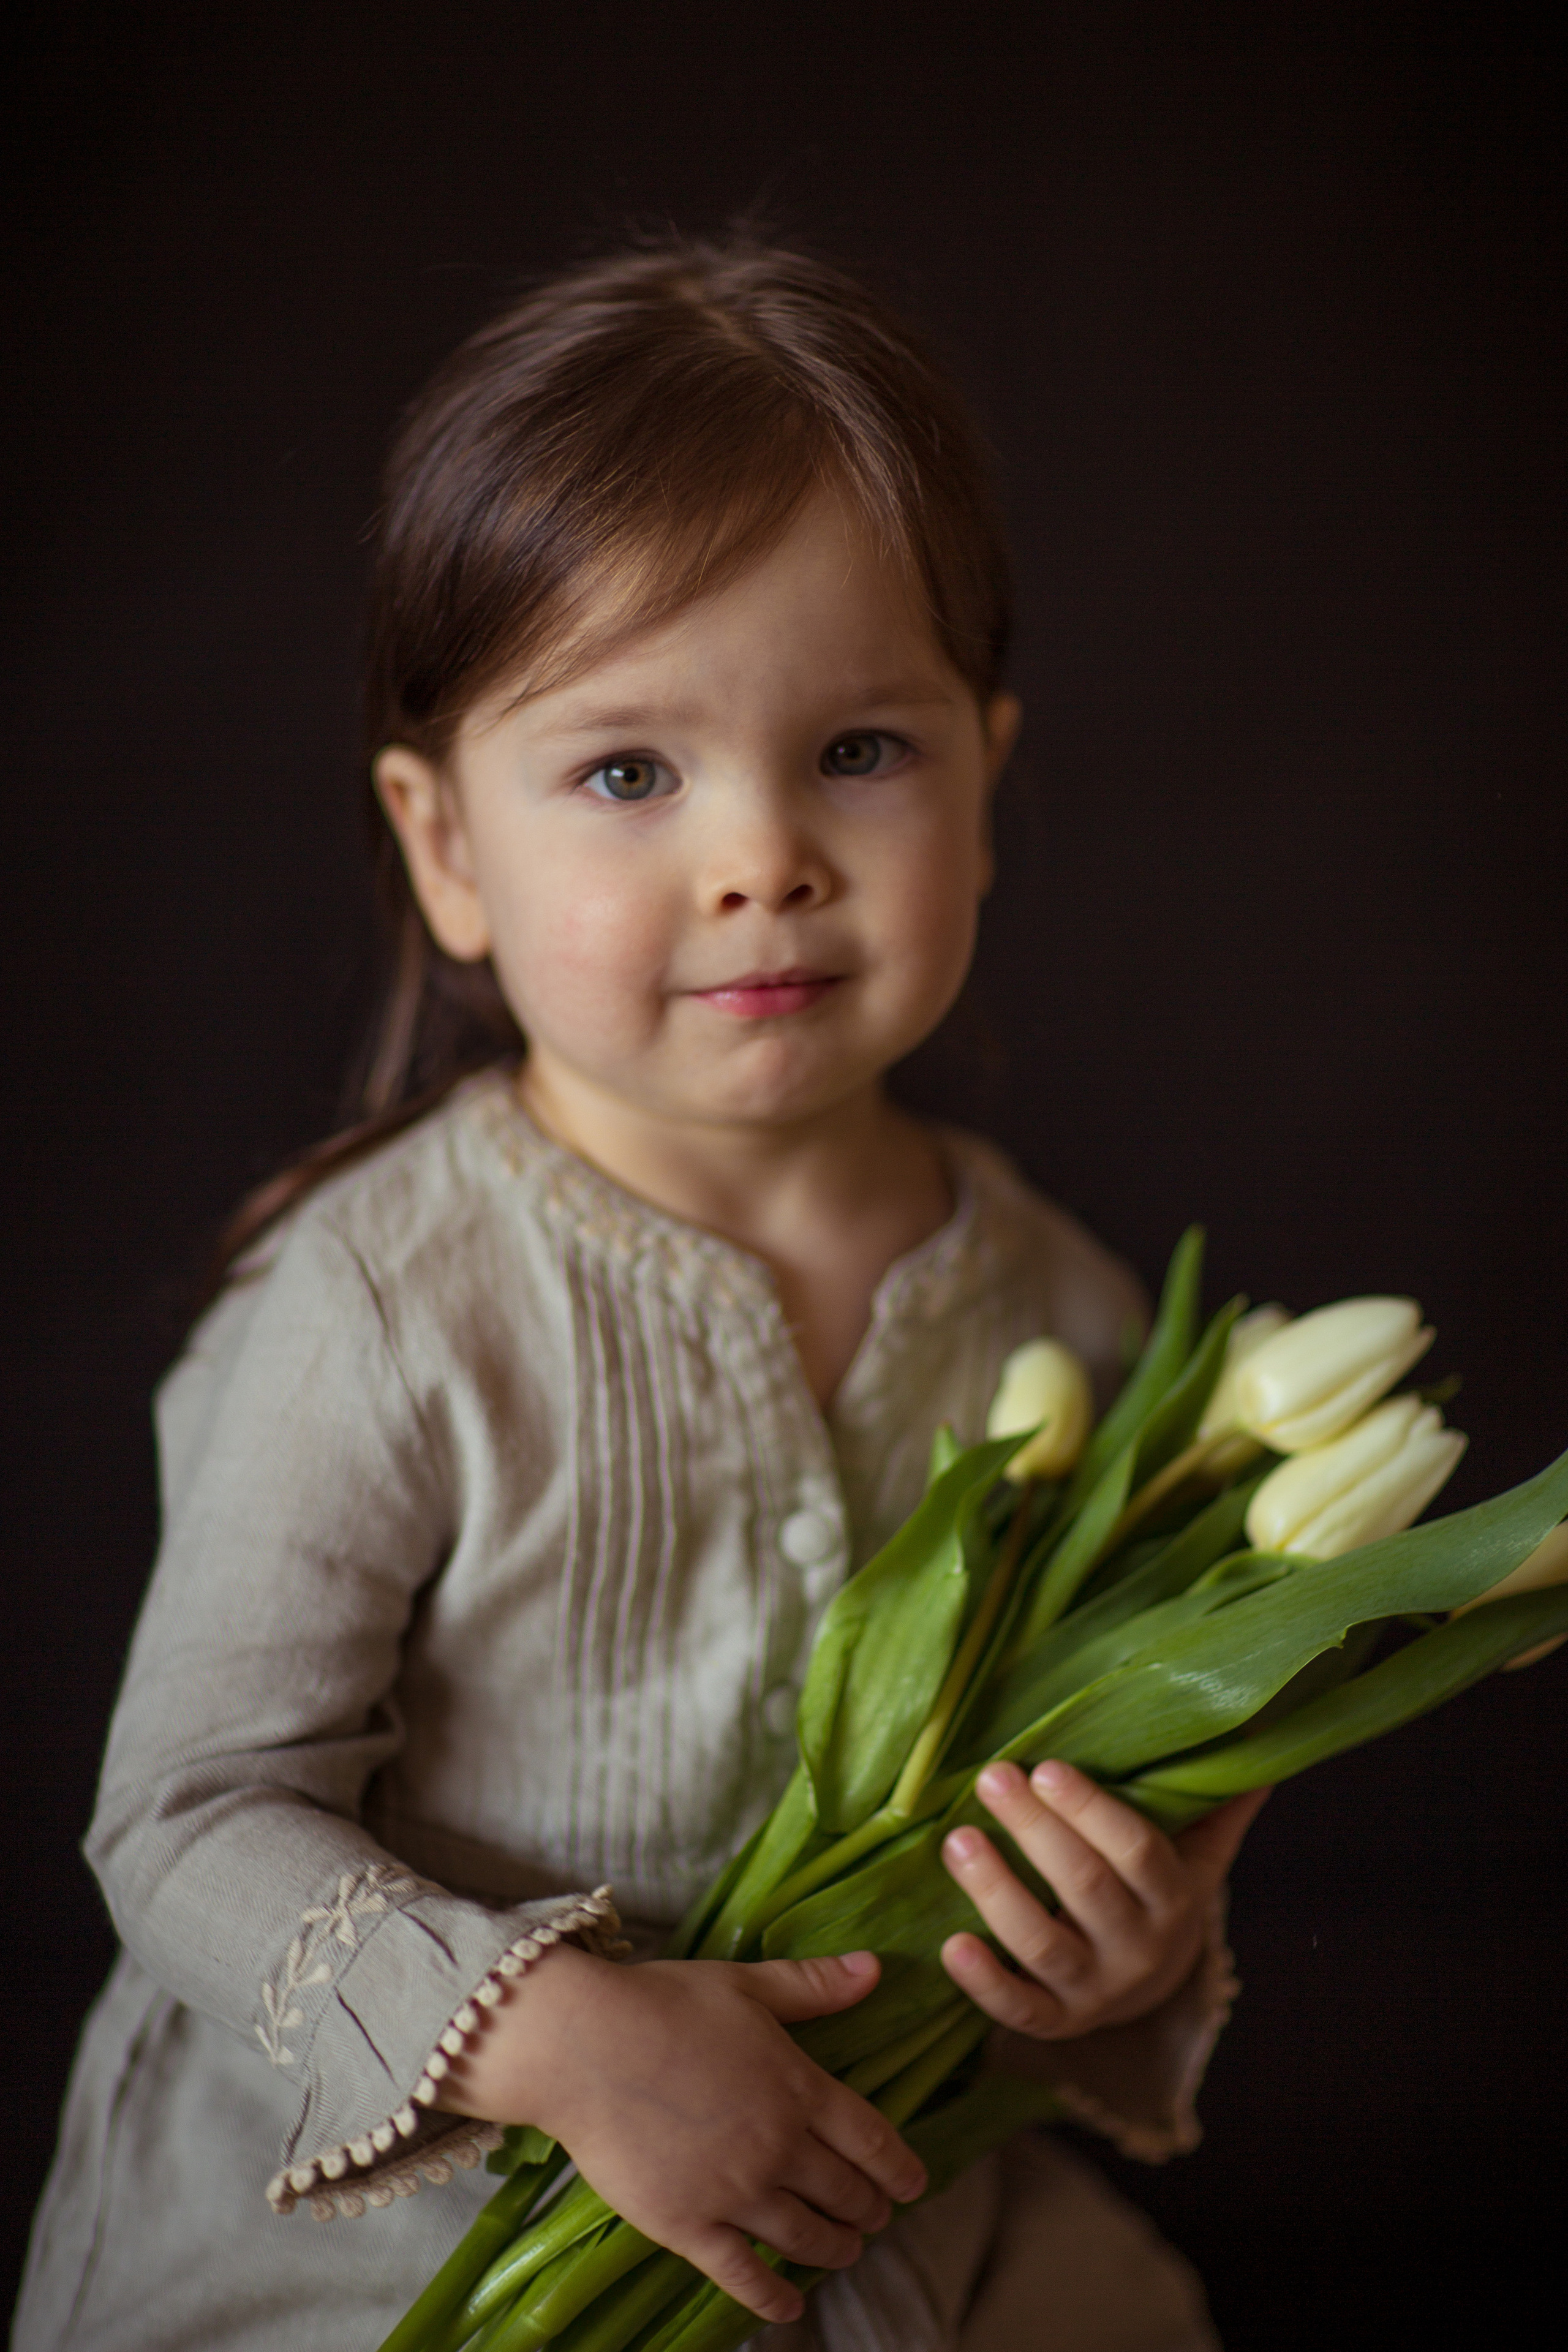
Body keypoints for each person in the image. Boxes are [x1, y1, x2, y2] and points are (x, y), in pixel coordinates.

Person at [16, 237, 1266, 2352]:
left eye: (860, 748)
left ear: (987, 780)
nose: (762, 854)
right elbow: (192, 1818)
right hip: (409, 2237)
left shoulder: (1074, 1324)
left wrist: (1116, 1962)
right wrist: (561, 2043)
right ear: (447, 849)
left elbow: (1078, 1827)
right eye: (628, 773)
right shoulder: (389, 1302)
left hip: (874, 2222)